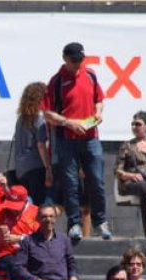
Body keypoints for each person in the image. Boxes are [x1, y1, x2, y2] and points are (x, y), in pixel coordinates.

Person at [42, 42, 108, 241]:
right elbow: (47, 113)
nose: (78, 64)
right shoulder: (56, 82)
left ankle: (101, 221)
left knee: (96, 179)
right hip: (67, 140)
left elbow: (99, 99)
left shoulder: (90, 75)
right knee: (71, 183)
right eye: (74, 61)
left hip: (90, 137)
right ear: (65, 59)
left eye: (80, 60)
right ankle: (74, 223)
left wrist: (98, 112)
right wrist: (68, 123)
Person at [0, 205, 78, 280]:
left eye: (51, 216)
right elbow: (17, 267)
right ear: (37, 219)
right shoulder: (28, 241)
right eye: (44, 217)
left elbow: (72, 266)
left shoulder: (64, 240)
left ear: (55, 218)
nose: (48, 219)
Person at [114, 110, 146, 234]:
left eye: (138, 124)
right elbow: (117, 171)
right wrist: (131, 175)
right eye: (133, 124)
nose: (134, 127)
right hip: (131, 183)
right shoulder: (127, 146)